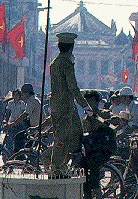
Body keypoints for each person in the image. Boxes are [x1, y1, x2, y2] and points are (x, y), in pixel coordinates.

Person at [45, 32, 92, 176]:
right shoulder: (66, 63)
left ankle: (64, 164)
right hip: (65, 106)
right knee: (63, 140)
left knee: (76, 134)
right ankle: (57, 168)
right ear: (71, 47)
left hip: (58, 105)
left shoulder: (55, 62)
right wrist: (84, 105)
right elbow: (73, 86)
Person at [82, 90, 116, 198]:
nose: (89, 103)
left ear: (97, 102)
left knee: (93, 164)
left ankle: (98, 192)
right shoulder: (86, 118)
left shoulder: (104, 113)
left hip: (105, 148)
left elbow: (115, 122)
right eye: (87, 101)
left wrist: (100, 119)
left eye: (91, 101)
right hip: (91, 149)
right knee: (83, 167)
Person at [10, 84, 46, 154]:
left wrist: (13, 123)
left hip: (37, 129)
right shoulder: (33, 100)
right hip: (35, 127)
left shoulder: (32, 100)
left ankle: (20, 159)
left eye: (22, 94)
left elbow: (25, 114)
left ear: (26, 93)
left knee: (18, 138)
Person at [4, 89, 26, 154]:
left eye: (17, 95)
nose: (15, 96)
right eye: (14, 94)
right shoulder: (10, 103)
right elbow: (7, 113)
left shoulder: (22, 103)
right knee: (9, 140)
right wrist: (5, 121)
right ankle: (9, 155)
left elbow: (23, 115)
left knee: (19, 141)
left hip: (19, 124)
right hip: (11, 123)